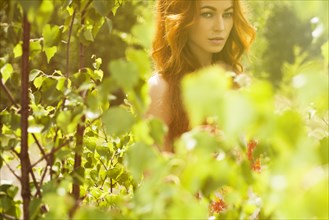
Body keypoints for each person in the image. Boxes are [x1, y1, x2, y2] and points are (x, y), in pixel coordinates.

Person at [147, 0, 256, 152]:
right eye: (207, 14)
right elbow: (152, 174)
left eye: (227, 14)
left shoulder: (235, 82)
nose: (220, 27)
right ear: (180, 15)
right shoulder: (160, 89)